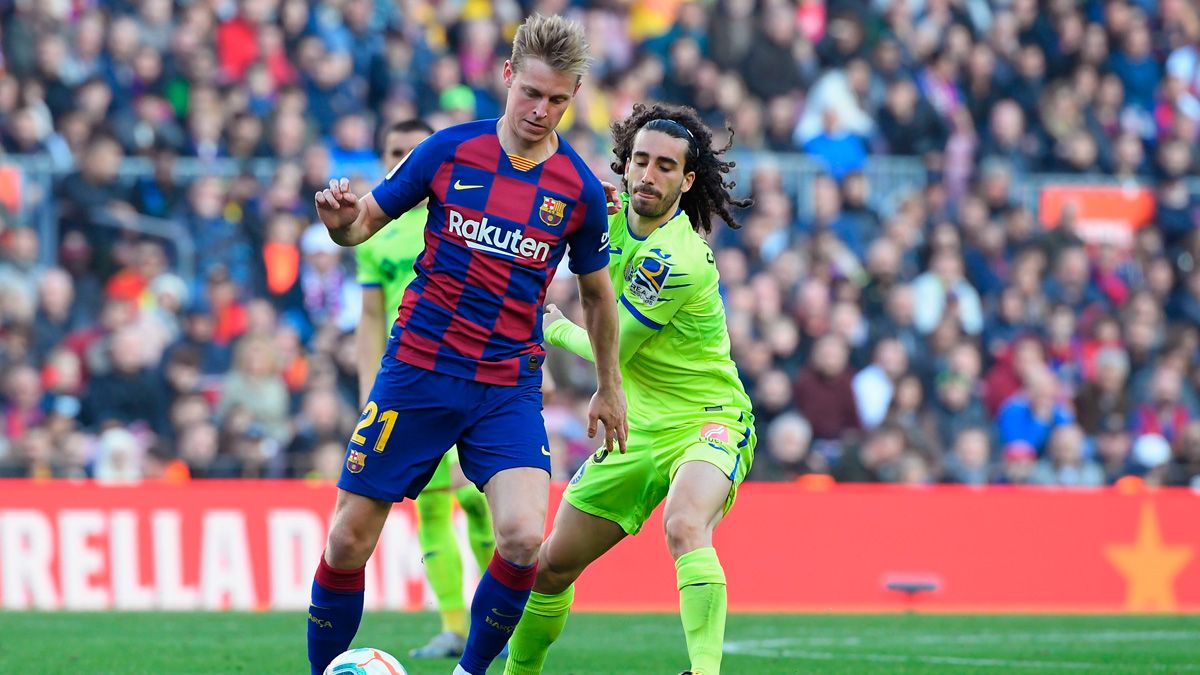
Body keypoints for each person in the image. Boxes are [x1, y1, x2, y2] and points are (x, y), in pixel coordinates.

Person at [307, 15, 628, 675]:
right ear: (507, 76)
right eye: (531, 93)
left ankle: (469, 671)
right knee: (346, 539)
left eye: (558, 99)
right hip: (419, 369)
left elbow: (597, 297)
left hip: (506, 385)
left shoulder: (578, 188)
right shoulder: (449, 150)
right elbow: (364, 221)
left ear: (574, 96)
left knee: (522, 537)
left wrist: (609, 385)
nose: (541, 111)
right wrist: (341, 226)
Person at [505, 103, 755, 675]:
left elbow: (611, 347)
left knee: (685, 522)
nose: (648, 174)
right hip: (635, 424)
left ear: (687, 181)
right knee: (549, 567)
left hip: (709, 418)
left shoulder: (678, 258)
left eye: (666, 167)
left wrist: (551, 325)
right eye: (640, 160)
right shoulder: (609, 217)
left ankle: (705, 671)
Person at [354, 119, 497, 659]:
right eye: (394, 151)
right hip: (406, 381)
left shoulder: (462, 220)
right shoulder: (375, 233)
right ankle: (454, 626)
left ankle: (495, 621)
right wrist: (370, 389)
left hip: (467, 373)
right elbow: (369, 318)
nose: (402, 160)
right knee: (432, 508)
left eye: (411, 152)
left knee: (477, 500)